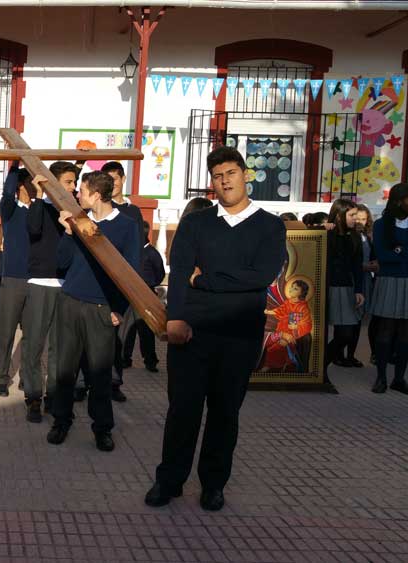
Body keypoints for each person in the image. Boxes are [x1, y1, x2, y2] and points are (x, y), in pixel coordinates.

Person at [145, 146, 286, 511]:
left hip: (240, 334)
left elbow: (261, 276)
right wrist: (175, 318)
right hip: (192, 332)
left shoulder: (269, 225)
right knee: (183, 411)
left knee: (225, 413)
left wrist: (204, 280)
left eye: (231, 173)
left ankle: (213, 484)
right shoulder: (196, 222)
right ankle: (169, 480)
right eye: (218, 176)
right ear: (212, 183)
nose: (225, 181)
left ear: (245, 175)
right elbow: (179, 273)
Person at [49, 171, 139, 451]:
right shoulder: (79, 223)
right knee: (64, 369)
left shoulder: (127, 226)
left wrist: (119, 309)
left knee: (100, 373)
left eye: (82, 190)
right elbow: (61, 262)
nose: (77, 194)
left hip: (102, 309)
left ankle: (102, 428)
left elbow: (132, 273)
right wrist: (67, 233)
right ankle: (61, 421)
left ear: (96, 195)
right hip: (70, 303)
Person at [21, 161, 80, 422]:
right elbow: (33, 229)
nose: (73, 187)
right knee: (33, 344)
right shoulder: (39, 207)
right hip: (40, 285)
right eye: (68, 182)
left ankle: (53, 396)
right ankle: (33, 396)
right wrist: (39, 196)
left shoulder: (74, 211)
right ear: (55, 183)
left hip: (66, 286)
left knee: (60, 348)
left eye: (74, 182)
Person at [97, 161, 143, 403]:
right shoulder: (100, 209)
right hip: (98, 283)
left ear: (123, 179)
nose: (112, 183)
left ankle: (114, 382)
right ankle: (84, 382)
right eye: (107, 178)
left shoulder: (133, 212)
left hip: (122, 285)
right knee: (92, 337)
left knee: (117, 338)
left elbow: (136, 249)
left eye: (115, 178)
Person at [0, 166, 33, 397]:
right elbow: (7, 194)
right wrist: (14, 166)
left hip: (35, 281)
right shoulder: (10, 210)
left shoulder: (40, 211)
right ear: (20, 187)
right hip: (12, 280)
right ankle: (1, 378)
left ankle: (27, 376)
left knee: (31, 334)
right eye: (26, 184)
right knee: (6, 333)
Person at [369, 183, 408, 394]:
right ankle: (381, 377)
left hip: (406, 279)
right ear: (397, 200)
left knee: (405, 332)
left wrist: (399, 252)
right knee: (386, 329)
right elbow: (383, 256)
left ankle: (399, 378)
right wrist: (401, 254)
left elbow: (393, 255)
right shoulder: (382, 224)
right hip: (389, 280)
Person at [324, 199, 365, 371]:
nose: (355, 219)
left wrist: (359, 290)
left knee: (346, 333)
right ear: (340, 216)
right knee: (320, 332)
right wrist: (321, 230)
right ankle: (320, 372)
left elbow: (357, 265)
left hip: (347, 287)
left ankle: (321, 365)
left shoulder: (355, 237)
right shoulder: (326, 234)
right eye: (352, 215)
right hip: (326, 288)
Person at [122, 221, 164, 373]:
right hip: (129, 293)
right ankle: (124, 358)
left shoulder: (152, 253)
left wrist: (150, 286)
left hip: (146, 294)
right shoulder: (130, 251)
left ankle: (150, 360)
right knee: (127, 330)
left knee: (146, 330)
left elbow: (160, 273)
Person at [353, 204, 378, 366]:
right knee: (352, 320)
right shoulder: (350, 236)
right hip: (354, 278)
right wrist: (365, 266)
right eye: (358, 219)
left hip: (368, 279)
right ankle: (346, 354)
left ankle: (373, 353)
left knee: (367, 318)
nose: (361, 222)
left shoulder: (369, 236)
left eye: (364, 219)